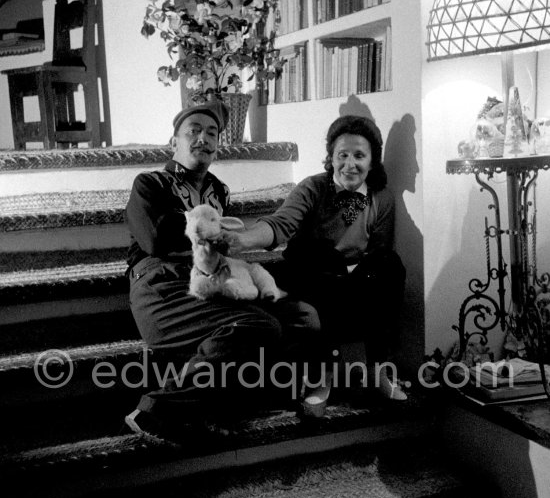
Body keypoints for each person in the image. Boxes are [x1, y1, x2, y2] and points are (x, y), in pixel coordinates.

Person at [124, 101, 324, 439]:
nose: (203, 138)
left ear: (218, 146)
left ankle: (232, 400)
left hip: (212, 283)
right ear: (174, 143)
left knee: (304, 317)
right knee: (256, 325)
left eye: (212, 133)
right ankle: (155, 410)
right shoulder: (150, 184)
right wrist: (214, 233)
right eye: (194, 131)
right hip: (162, 288)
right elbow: (155, 238)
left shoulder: (219, 190)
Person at [227, 115, 408, 401]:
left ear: (372, 161)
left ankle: (377, 369)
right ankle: (322, 375)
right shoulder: (313, 187)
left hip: (349, 282)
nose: (350, 164)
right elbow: (281, 224)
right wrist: (244, 239)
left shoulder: (381, 199)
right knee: (326, 257)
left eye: (359, 156)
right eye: (342, 155)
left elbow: (378, 251)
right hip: (308, 273)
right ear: (331, 158)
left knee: (389, 264)